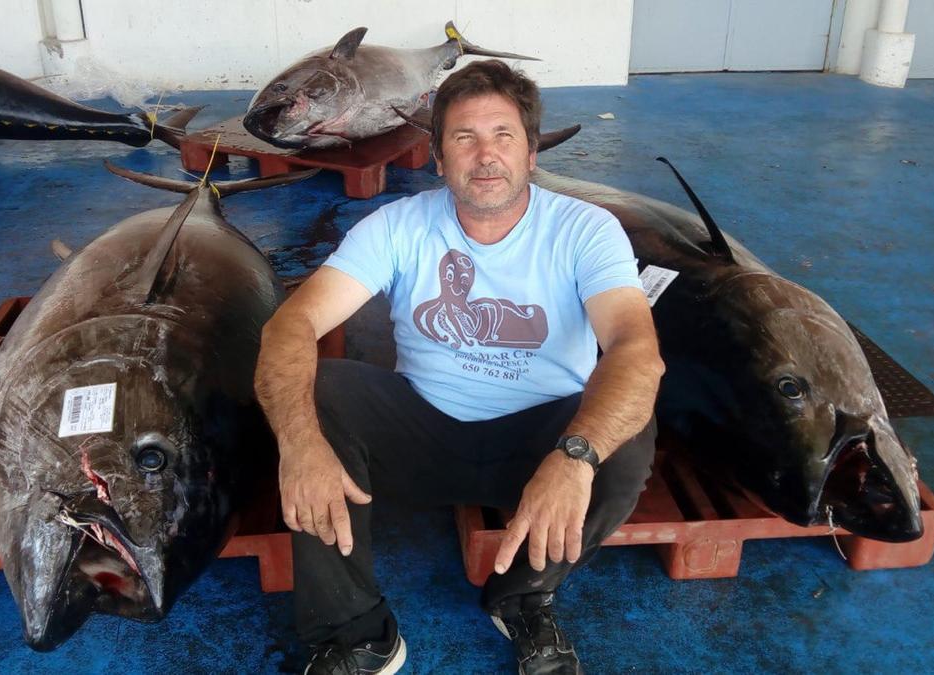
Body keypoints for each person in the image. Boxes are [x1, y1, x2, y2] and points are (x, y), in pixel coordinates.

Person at [254, 59, 664, 675]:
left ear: (531, 152)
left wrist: (574, 456)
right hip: (424, 432)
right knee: (318, 391)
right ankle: (357, 635)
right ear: (438, 159)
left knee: (624, 433)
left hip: (540, 441)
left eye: (504, 136)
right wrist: (300, 443)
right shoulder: (396, 226)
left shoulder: (586, 230)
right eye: (464, 138)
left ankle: (523, 598)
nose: (486, 154)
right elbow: (292, 325)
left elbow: (637, 351)